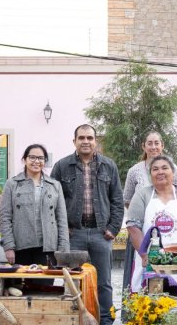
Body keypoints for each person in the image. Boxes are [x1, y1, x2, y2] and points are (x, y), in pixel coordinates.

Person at [51, 124, 124, 325]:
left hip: (102, 233)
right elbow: (52, 200)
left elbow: (117, 199)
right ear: (74, 141)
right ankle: (75, 319)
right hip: (74, 234)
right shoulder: (61, 166)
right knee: (73, 281)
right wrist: (63, 229)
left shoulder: (109, 166)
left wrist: (113, 228)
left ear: (95, 141)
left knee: (104, 282)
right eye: (81, 138)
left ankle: (106, 320)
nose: (86, 141)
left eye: (89, 138)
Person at [126, 156, 177, 292]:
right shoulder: (142, 195)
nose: (160, 172)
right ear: (150, 174)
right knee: (151, 307)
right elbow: (133, 227)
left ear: (173, 172)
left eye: (165, 168)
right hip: (152, 264)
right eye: (155, 169)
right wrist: (145, 256)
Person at [121, 131, 177, 292]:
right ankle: (134, 311)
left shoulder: (174, 169)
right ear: (144, 146)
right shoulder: (134, 171)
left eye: (157, 143)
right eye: (150, 143)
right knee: (136, 274)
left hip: (170, 234)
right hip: (140, 234)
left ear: (162, 146)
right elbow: (127, 199)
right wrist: (144, 216)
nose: (153, 146)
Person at [0, 144, 69, 266]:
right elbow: (4, 217)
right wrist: (8, 246)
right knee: (21, 285)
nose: (36, 161)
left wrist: (63, 249)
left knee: (44, 285)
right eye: (32, 157)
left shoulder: (54, 185)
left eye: (41, 158)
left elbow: (61, 219)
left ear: (45, 161)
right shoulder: (12, 184)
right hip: (21, 248)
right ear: (24, 160)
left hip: (48, 248)